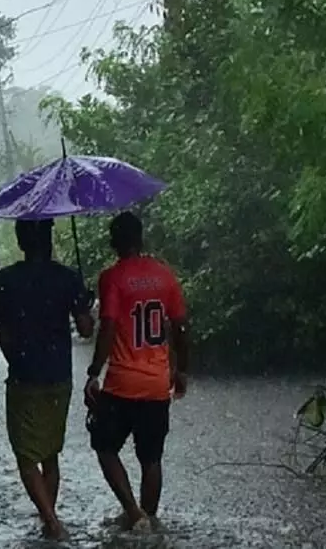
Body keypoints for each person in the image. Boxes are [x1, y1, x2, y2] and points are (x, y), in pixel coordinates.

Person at [0, 219, 94, 541]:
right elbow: (86, 330)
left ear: (20, 242)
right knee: (49, 453)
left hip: (24, 376)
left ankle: (51, 521)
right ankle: (49, 519)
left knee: (26, 456)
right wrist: (86, 304)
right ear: (49, 240)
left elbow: (3, 335)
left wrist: (18, 362)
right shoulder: (68, 278)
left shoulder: (7, 279)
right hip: (59, 375)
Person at [83, 211, 190, 532]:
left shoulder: (112, 277)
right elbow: (181, 327)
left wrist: (94, 371)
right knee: (151, 458)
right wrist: (181, 370)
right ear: (141, 239)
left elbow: (108, 327)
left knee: (104, 447)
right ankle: (149, 519)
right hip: (157, 383)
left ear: (114, 242)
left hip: (122, 383)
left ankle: (133, 512)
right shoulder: (165, 275)